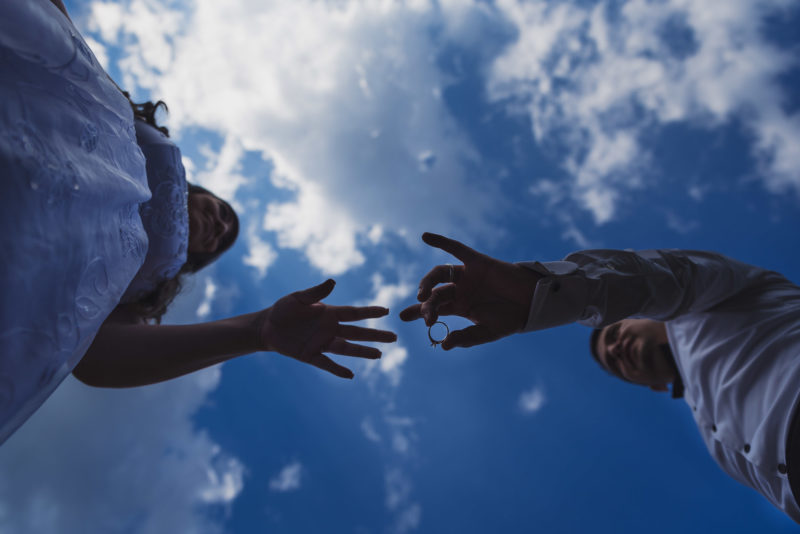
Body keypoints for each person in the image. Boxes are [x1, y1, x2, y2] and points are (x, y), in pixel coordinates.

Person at [0, 0, 395, 445]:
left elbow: (95, 358)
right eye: (225, 213)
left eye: (223, 239)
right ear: (198, 190)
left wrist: (257, 331)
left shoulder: (151, 286)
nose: (223, 228)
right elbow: (74, 65)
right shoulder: (142, 134)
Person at [400, 232, 800, 523]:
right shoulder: (715, 442)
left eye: (610, 333)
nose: (612, 350)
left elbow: (664, 277)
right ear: (655, 387)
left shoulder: (709, 297)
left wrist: (540, 295)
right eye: (614, 366)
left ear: (647, 315)